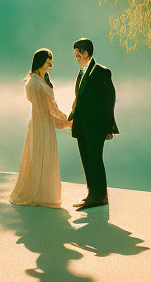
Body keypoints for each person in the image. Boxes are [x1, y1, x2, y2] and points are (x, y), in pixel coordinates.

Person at [9, 48, 72, 208]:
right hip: (42, 123)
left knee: (41, 156)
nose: (51, 62)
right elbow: (48, 108)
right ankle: (41, 195)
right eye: (48, 59)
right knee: (41, 156)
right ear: (41, 60)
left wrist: (62, 118)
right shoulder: (36, 83)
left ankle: (42, 193)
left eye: (51, 59)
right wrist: (66, 120)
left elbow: (49, 106)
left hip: (39, 123)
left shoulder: (38, 80)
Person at [68, 38, 118, 209]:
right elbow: (79, 98)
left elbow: (109, 100)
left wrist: (109, 126)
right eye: (75, 55)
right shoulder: (81, 73)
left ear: (86, 53)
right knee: (86, 160)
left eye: (78, 54)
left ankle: (101, 196)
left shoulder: (102, 71)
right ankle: (92, 195)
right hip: (82, 126)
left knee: (96, 160)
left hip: (96, 127)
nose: (76, 58)